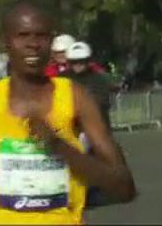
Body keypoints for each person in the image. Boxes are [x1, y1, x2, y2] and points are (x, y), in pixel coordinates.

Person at [0, 0, 136, 225]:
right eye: (23, 35)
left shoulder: (76, 98)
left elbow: (124, 188)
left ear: (51, 43)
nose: (33, 44)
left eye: (41, 36)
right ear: (5, 41)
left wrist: (59, 147)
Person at [62, 41, 115, 208]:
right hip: (69, 125)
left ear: (88, 60)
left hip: (93, 127)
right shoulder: (62, 79)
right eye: (75, 62)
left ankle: (91, 192)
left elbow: (101, 102)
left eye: (82, 61)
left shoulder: (99, 79)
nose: (78, 65)